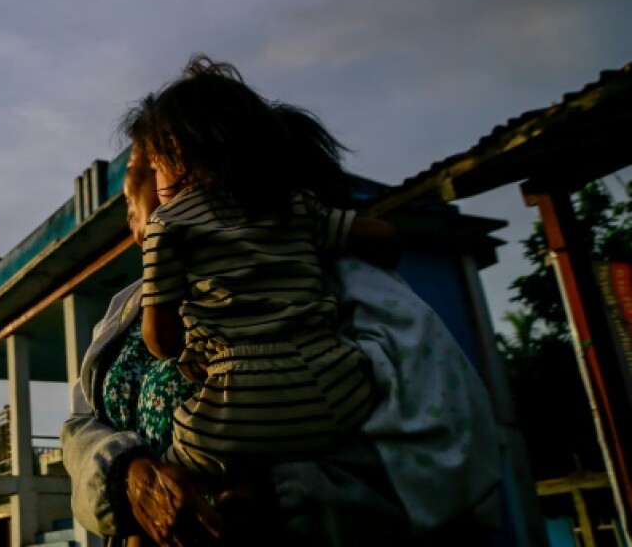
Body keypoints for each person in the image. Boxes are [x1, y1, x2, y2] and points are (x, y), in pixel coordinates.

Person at [61, 75, 503, 545]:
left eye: (142, 165)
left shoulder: (339, 285)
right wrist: (128, 478)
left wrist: (284, 500)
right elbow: (80, 427)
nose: (128, 188)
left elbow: (450, 458)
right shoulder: (126, 308)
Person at [128, 56, 395, 478]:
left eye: (155, 166)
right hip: (337, 390)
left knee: (174, 475)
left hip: (238, 402)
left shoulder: (170, 224)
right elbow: (382, 236)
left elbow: (160, 340)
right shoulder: (295, 205)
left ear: (178, 154)